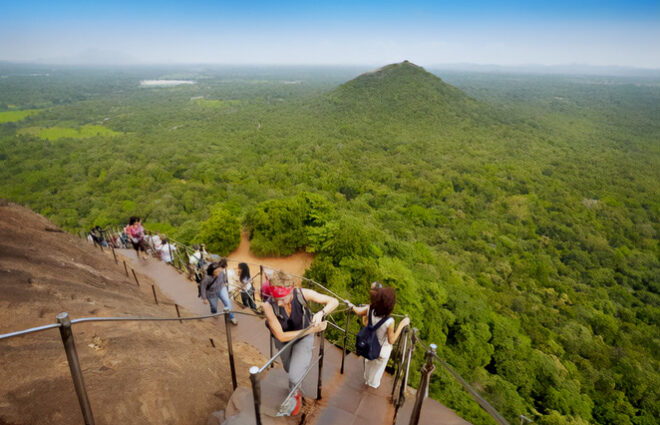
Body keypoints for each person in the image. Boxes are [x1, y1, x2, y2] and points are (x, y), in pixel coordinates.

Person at [263, 271, 338, 416]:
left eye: (283, 298)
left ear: (291, 290)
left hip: (304, 338)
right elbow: (281, 336)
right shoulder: (268, 306)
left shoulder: (302, 294)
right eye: (276, 298)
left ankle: (295, 396)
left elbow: (333, 302)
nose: (279, 302)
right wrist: (312, 330)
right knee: (288, 368)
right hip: (284, 339)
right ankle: (295, 387)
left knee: (294, 376)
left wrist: (321, 313)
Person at [350, 287, 410, 388]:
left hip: (368, 345)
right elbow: (391, 340)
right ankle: (369, 392)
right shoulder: (389, 321)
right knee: (375, 378)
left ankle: (366, 383)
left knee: (368, 370)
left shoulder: (370, 309)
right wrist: (402, 324)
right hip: (381, 351)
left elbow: (357, 311)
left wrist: (351, 305)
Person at [200, 259, 237, 325]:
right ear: (212, 272)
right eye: (216, 272)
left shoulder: (220, 271)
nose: (218, 273)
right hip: (212, 293)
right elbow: (203, 287)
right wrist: (204, 298)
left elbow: (223, 276)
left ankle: (231, 317)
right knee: (214, 306)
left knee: (227, 301)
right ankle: (214, 313)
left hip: (221, 288)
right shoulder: (207, 278)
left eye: (219, 271)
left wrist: (225, 282)